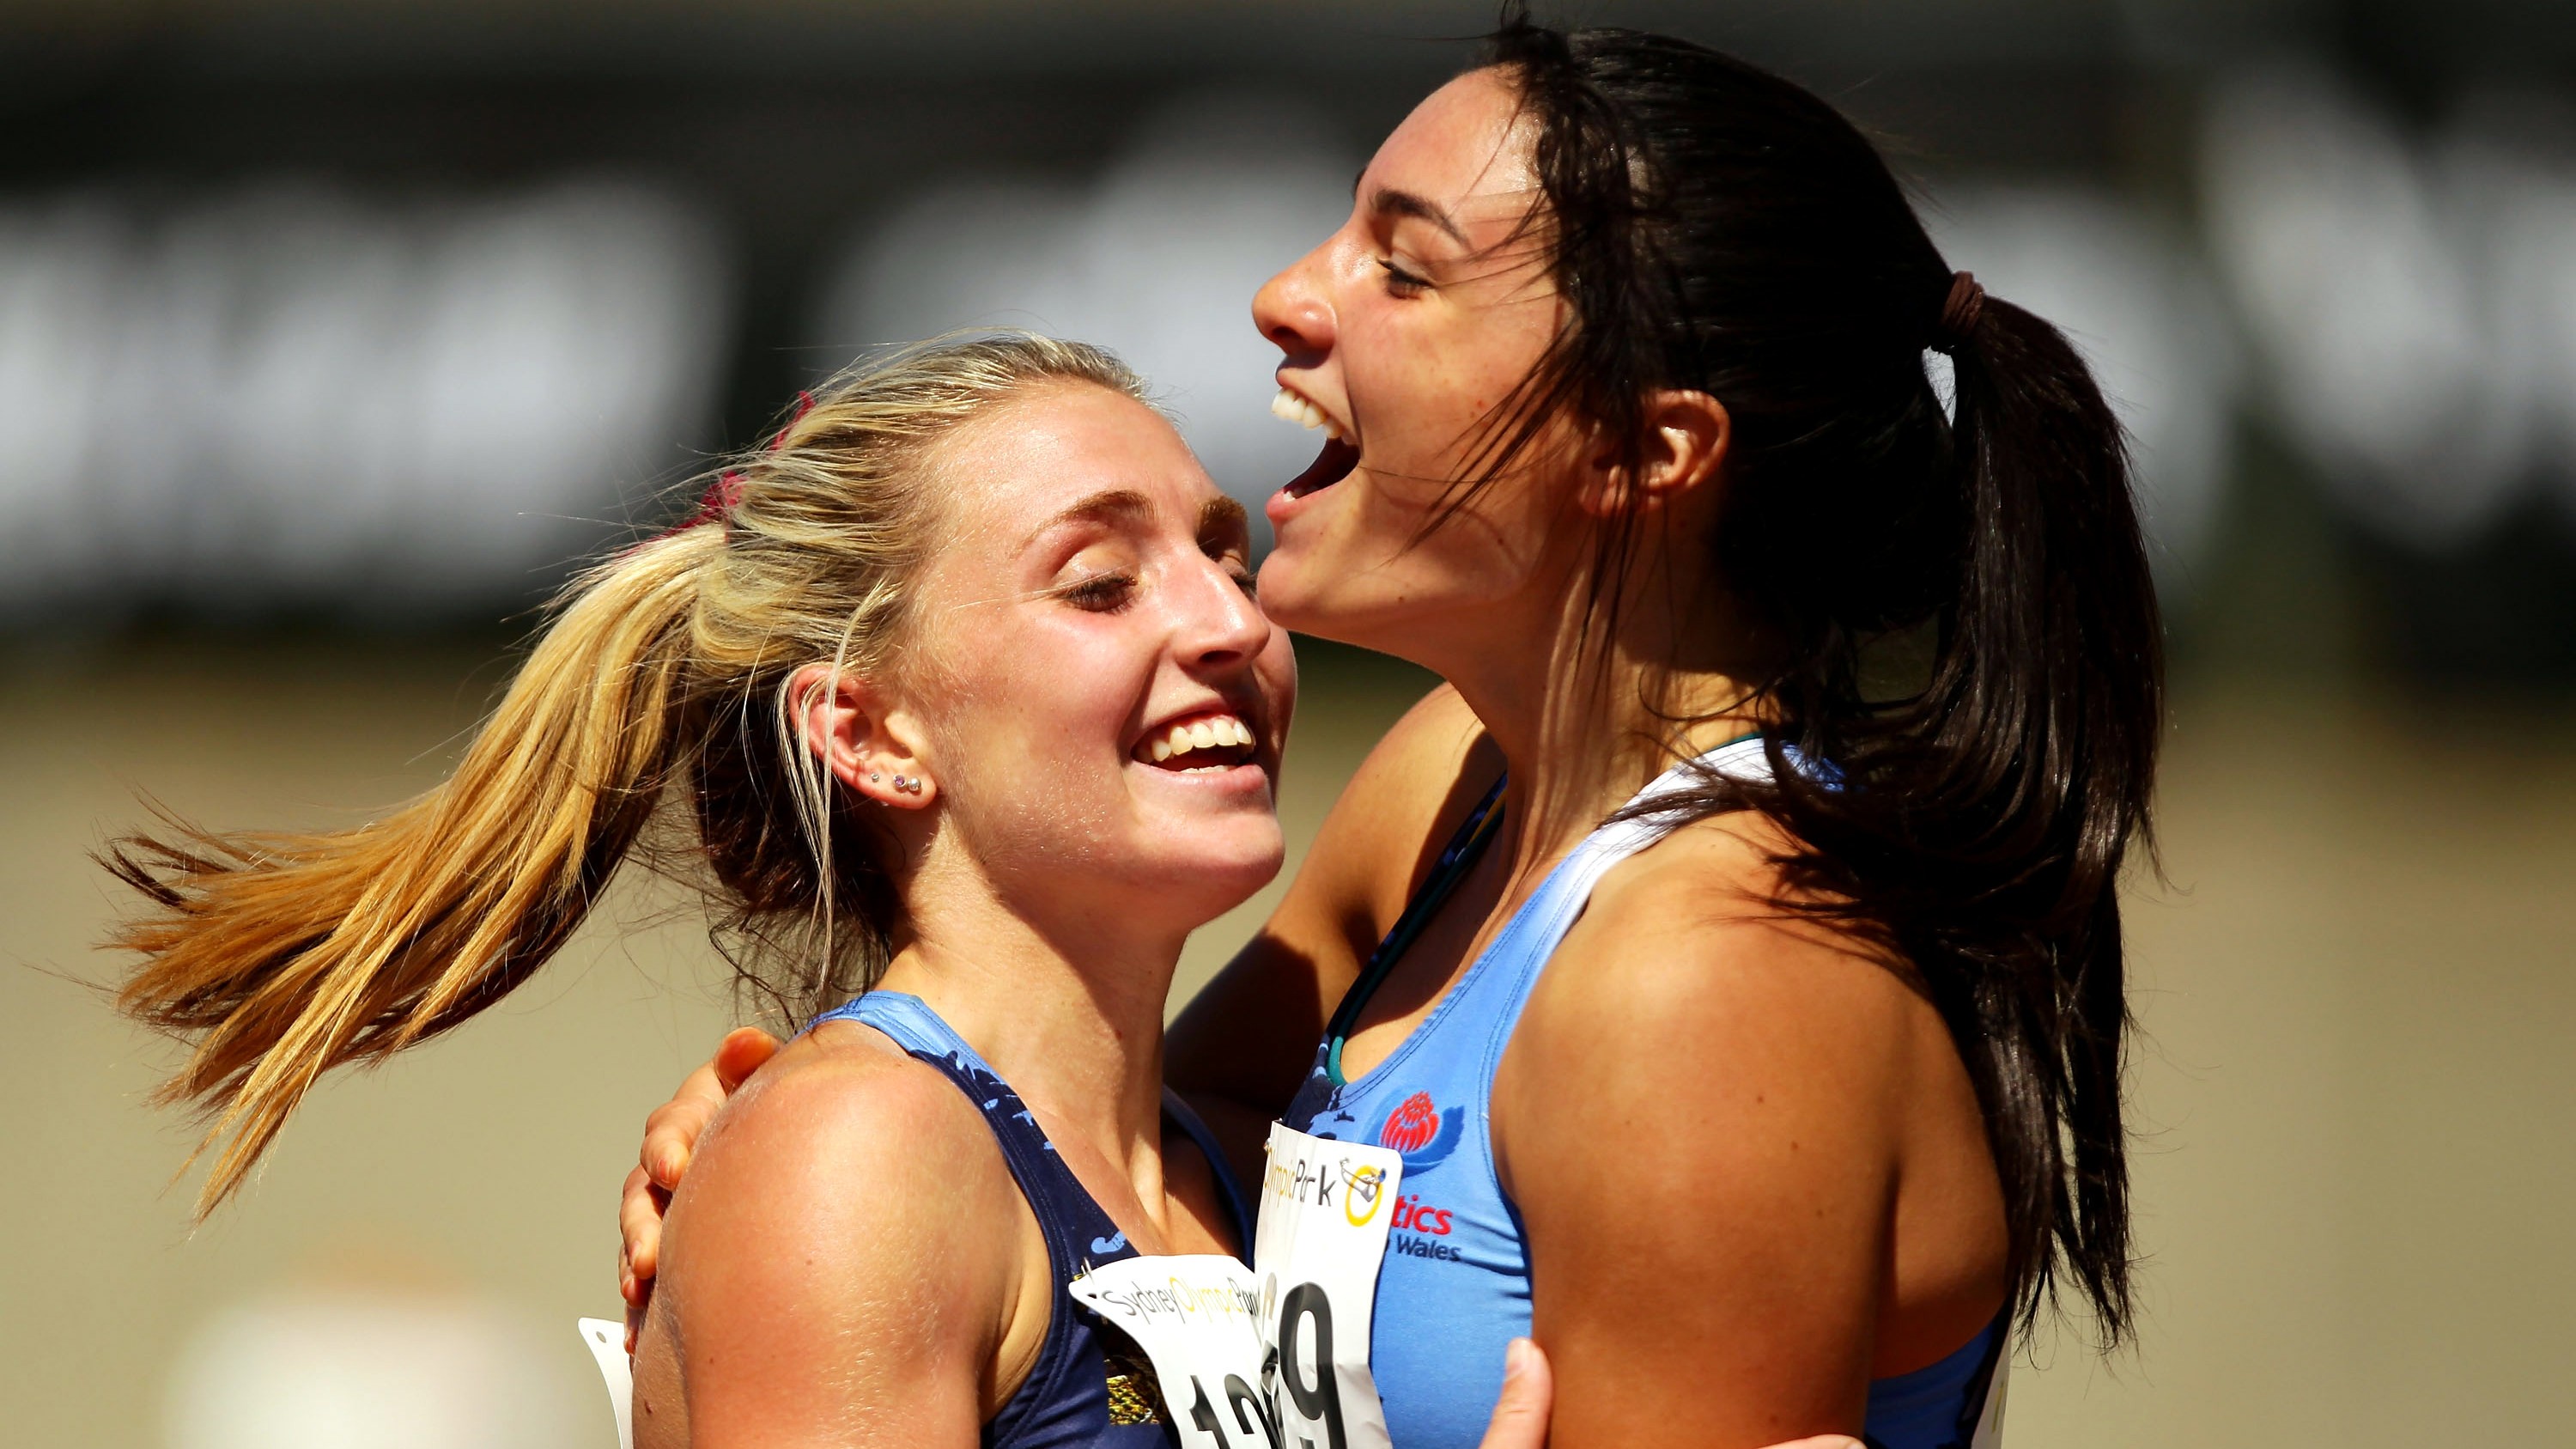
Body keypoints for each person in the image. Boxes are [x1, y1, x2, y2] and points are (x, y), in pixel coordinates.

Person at [623, 12, 2160, 1449]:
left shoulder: (1708, 974)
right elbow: (1158, 1154)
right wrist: (843, 1147)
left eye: (1403, 272)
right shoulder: (1456, 785)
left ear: (1645, 450)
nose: (1287, 296)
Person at [111, 335, 1512, 1449]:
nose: (1232, 621)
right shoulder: (860, 1157)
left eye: (1221, 554)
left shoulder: (1225, 1162)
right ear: (869, 733)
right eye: (1099, 585)